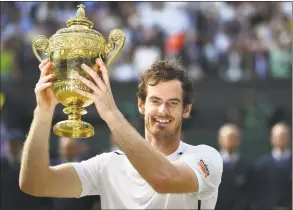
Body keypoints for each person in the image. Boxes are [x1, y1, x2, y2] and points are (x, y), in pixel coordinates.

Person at [19, 58, 223, 209]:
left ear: (186, 110)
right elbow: (35, 183)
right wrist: (43, 112)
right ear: (141, 105)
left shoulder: (205, 157)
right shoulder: (108, 165)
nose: (163, 111)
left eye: (173, 103)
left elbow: (163, 179)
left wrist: (110, 113)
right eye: (155, 101)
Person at [250, 122, 292, 210]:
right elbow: (258, 191)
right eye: (278, 136)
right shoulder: (262, 165)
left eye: (284, 135)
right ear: (272, 138)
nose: (281, 138)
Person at [215, 124, 251, 210]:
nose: (231, 140)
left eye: (234, 137)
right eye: (228, 137)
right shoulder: (210, 166)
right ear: (220, 140)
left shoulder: (246, 167)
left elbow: (249, 194)